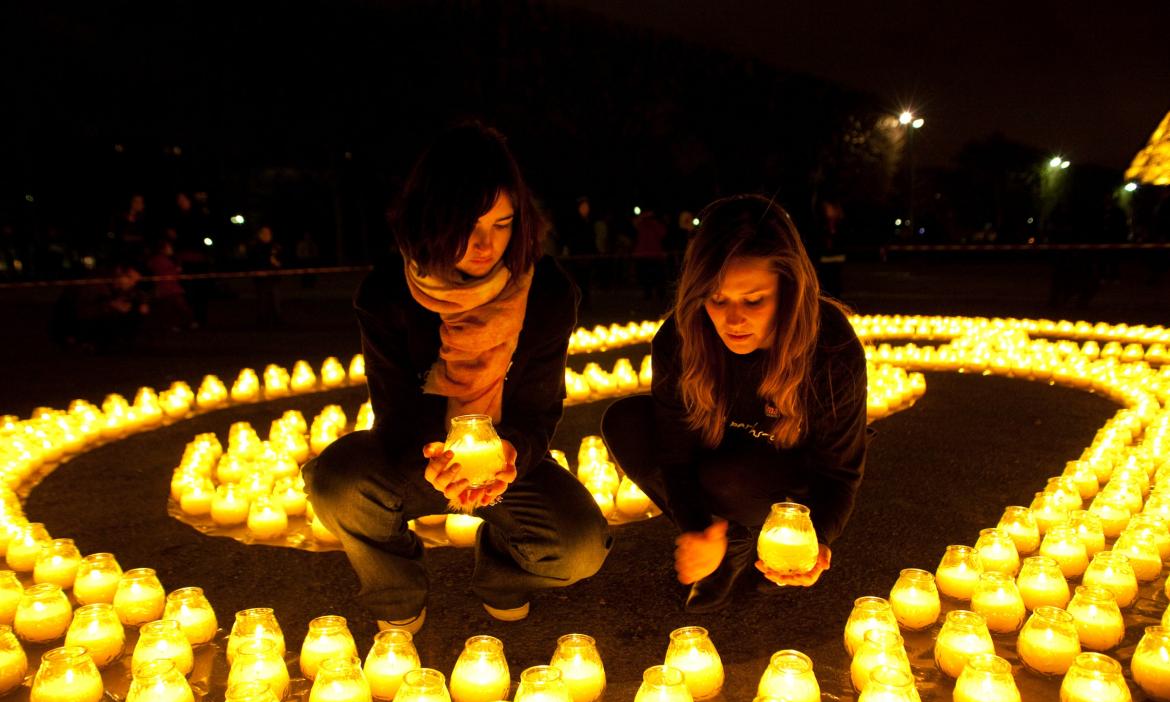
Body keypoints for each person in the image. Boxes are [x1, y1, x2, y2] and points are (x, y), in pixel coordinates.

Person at [302, 123, 612, 634]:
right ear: (429, 215)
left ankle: (502, 573)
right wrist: (433, 464)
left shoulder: (547, 291)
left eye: (502, 223)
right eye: (467, 222)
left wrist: (514, 454)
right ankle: (396, 589)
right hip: (420, 458)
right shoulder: (388, 292)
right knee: (334, 481)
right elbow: (395, 409)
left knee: (579, 547)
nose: (484, 243)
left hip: (505, 465)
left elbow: (539, 407)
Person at [601, 194, 868, 613]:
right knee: (625, 421)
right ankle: (728, 543)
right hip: (717, 455)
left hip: (785, 474)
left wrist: (815, 539)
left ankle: (751, 538)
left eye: (754, 299)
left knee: (733, 478)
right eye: (716, 298)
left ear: (788, 289)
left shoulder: (830, 346)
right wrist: (697, 530)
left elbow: (839, 471)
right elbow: (674, 456)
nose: (732, 320)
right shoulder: (682, 337)